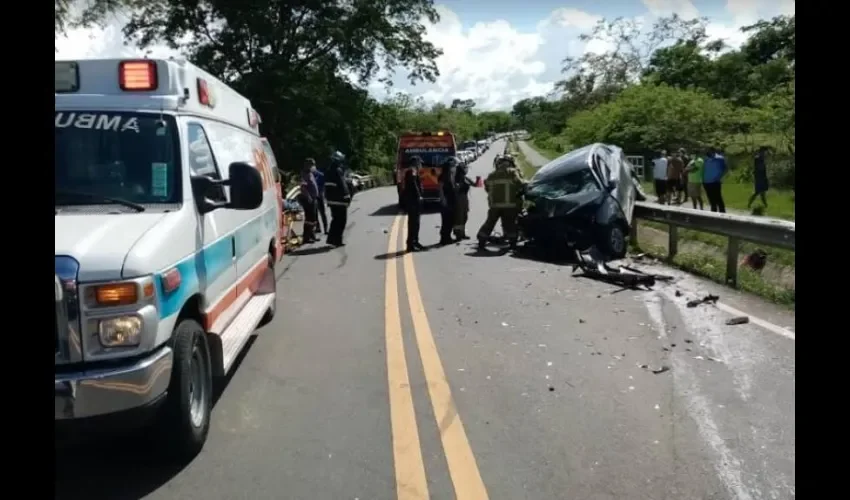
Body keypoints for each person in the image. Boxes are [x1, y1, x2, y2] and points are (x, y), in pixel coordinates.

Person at [477, 154, 526, 251]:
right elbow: (521, 184)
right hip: (510, 205)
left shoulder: (491, 175)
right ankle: (512, 244)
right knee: (511, 225)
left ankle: (481, 241)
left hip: (494, 206)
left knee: (489, 223)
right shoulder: (512, 172)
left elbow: (487, 188)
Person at [324, 150, 351, 247]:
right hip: (339, 200)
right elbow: (342, 185)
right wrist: (347, 196)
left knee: (335, 220)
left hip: (331, 200)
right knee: (341, 221)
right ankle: (337, 240)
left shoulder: (328, 170)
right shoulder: (337, 170)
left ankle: (332, 239)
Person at [401, 156, 426, 252]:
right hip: (413, 201)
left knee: (416, 223)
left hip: (414, 201)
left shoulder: (414, 171)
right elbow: (414, 185)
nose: (421, 165)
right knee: (413, 223)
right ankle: (410, 244)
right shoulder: (412, 171)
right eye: (419, 163)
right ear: (415, 163)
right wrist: (419, 195)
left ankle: (415, 241)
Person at [297, 161, 319, 243]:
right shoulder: (304, 174)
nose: (313, 167)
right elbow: (303, 187)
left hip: (314, 198)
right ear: (307, 165)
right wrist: (308, 196)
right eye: (311, 165)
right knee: (310, 218)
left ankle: (312, 235)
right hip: (308, 199)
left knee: (313, 218)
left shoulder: (310, 173)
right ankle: (306, 237)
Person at [438, 156, 459, 245]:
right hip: (446, 201)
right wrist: (443, 199)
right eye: (452, 166)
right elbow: (440, 189)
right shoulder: (443, 176)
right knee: (446, 221)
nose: (453, 168)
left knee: (451, 220)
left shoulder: (451, 176)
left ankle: (448, 237)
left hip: (452, 200)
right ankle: (444, 238)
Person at [453, 158, 474, 240]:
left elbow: (474, 184)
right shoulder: (456, 178)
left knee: (465, 216)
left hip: (464, 198)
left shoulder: (465, 178)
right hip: (459, 198)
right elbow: (456, 189)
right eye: (464, 168)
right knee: (459, 217)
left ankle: (462, 233)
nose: (466, 169)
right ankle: (458, 234)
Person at [702, 147, 727, 213]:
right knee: (711, 199)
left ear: (712, 151)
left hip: (715, 182)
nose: (706, 152)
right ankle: (713, 213)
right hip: (706, 182)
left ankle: (723, 213)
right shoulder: (706, 159)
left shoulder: (719, 158)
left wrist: (719, 177)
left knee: (718, 198)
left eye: (708, 151)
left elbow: (725, 169)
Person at [311, 160, 329, 234]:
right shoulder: (310, 175)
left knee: (322, 213)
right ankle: (318, 227)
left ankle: (326, 229)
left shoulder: (320, 175)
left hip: (320, 196)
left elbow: (324, 185)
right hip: (313, 197)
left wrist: (323, 193)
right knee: (315, 214)